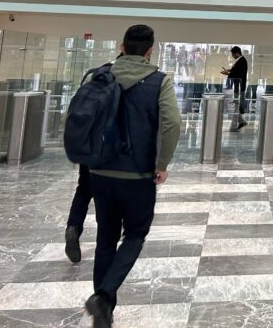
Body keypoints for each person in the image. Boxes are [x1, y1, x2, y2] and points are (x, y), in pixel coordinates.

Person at [83, 25, 181, 328]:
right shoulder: (159, 81)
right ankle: (104, 297)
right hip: (138, 173)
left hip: (99, 171)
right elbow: (172, 123)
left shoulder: (98, 76)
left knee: (106, 237)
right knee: (136, 233)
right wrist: (162, 163)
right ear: (150, 51)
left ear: (122, 47)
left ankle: (104, 310)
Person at [65, 53, 123, 264]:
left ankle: (73, 225)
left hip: (87, 142)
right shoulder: (125, 79)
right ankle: (104, 240)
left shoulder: (93, 76)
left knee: (84, 187)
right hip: (108, 145)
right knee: (105, 192)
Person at [220, 45, 248, 130]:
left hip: (239, 87)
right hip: (237, 87)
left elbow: (239, 74)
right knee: (236, 106)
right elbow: (236, 71)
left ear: (237, 53)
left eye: (233, 54)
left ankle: (239, 123)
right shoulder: (240, 60)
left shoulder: (242, 61)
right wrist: (229, 70)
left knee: (236, 106)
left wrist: (228, 73)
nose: (232, 56)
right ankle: (241, 122)